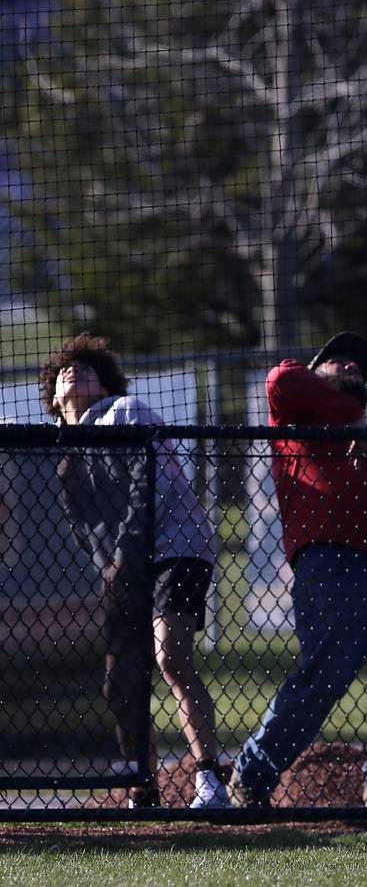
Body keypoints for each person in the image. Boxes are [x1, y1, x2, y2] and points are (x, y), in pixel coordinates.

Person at [230, 332, 367, 808]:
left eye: (357, 366)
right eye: (336, 359)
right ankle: (252, 777)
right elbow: (280, 377)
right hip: (333, 564)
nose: (348, 365)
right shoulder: (296, 414)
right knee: (324, 677)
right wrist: (349, 416)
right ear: (316, 369)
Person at [40, 334, 230, 809]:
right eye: (66, 369)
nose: (73, 371)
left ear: (105, 383)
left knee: (170, 655)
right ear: (53, 397)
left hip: (175, 546)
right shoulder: (65, 461)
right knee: (119, 679)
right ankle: (142, 787)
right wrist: (113, 568)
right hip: (125, 568)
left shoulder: (126, 412)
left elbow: (150, 491)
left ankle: (210, 780)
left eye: (87, 368)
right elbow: (87, 533)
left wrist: (121, 557)